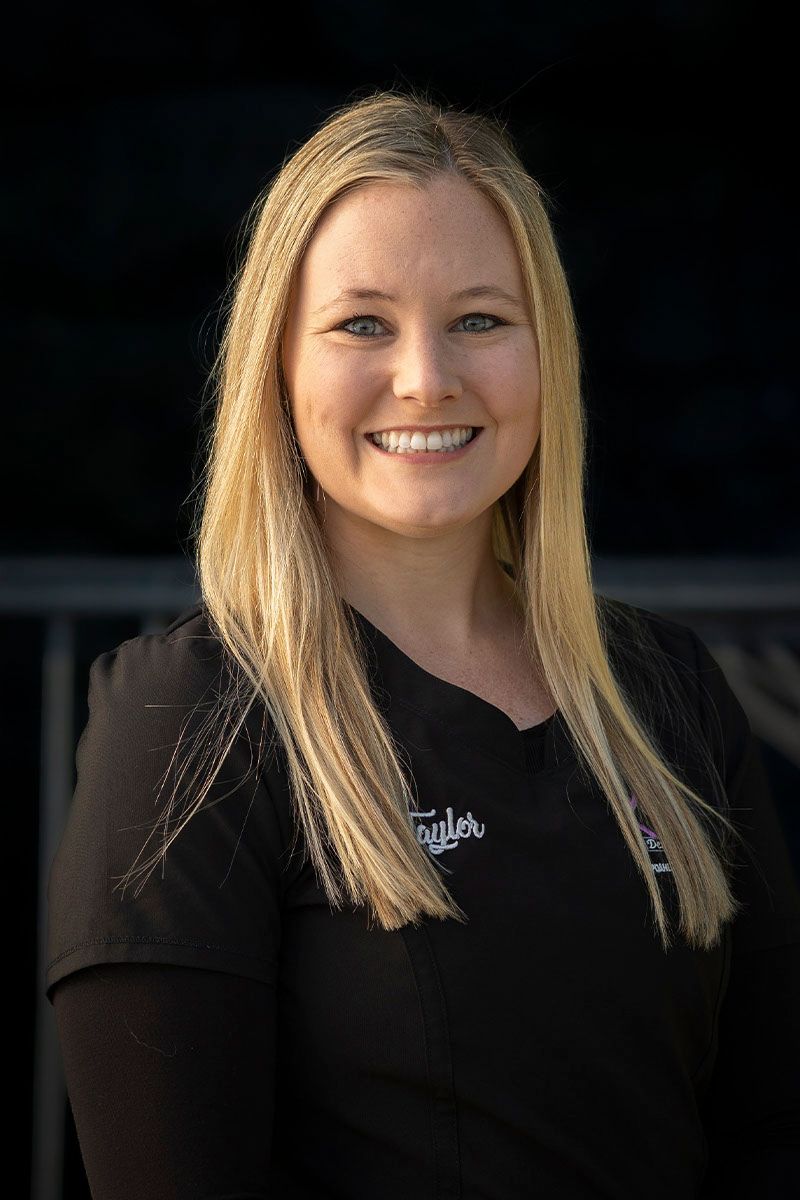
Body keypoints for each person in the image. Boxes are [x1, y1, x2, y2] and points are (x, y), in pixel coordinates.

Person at [45, 87, 800, 1199]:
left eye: (479, 320)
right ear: (277, 370)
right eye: (361, 324)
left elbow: (770, 1136)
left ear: (546, 357)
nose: (426, 378)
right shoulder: (188, 723)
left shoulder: (665, 693)